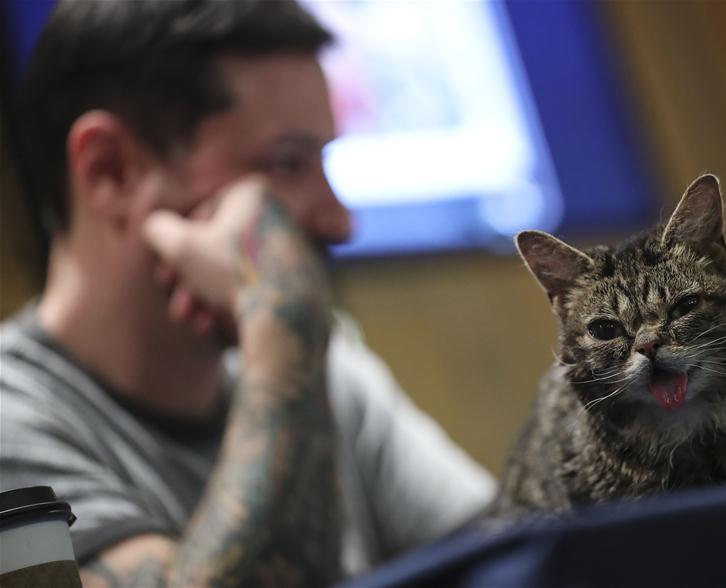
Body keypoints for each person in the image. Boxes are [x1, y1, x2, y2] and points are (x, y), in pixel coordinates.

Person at [0, 1, 495, 586]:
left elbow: (523, 567)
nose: (339, 221)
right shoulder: (14, 418)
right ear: (112, 171)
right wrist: (284, 322)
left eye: (324, 161)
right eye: (287, 162)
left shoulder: (326, 371)